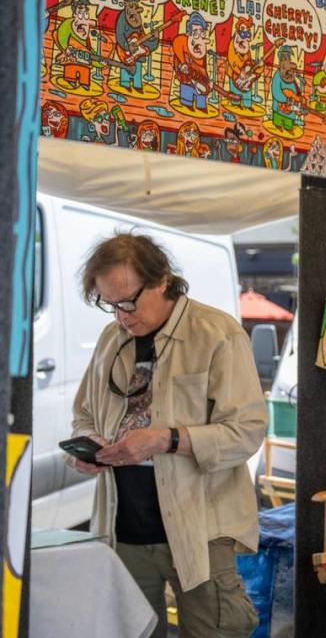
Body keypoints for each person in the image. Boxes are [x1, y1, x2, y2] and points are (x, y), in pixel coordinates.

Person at [65, 233, 265, 637]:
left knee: (215, 630)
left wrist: (167, 439)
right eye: (110, 304)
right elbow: (83, 416)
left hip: (201, 530)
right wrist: (87, 448)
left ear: (161, 281)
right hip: (124, 530)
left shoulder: (217, 333)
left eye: (128, 301)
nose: (121, 314)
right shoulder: (111, 339)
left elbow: (247, 431)